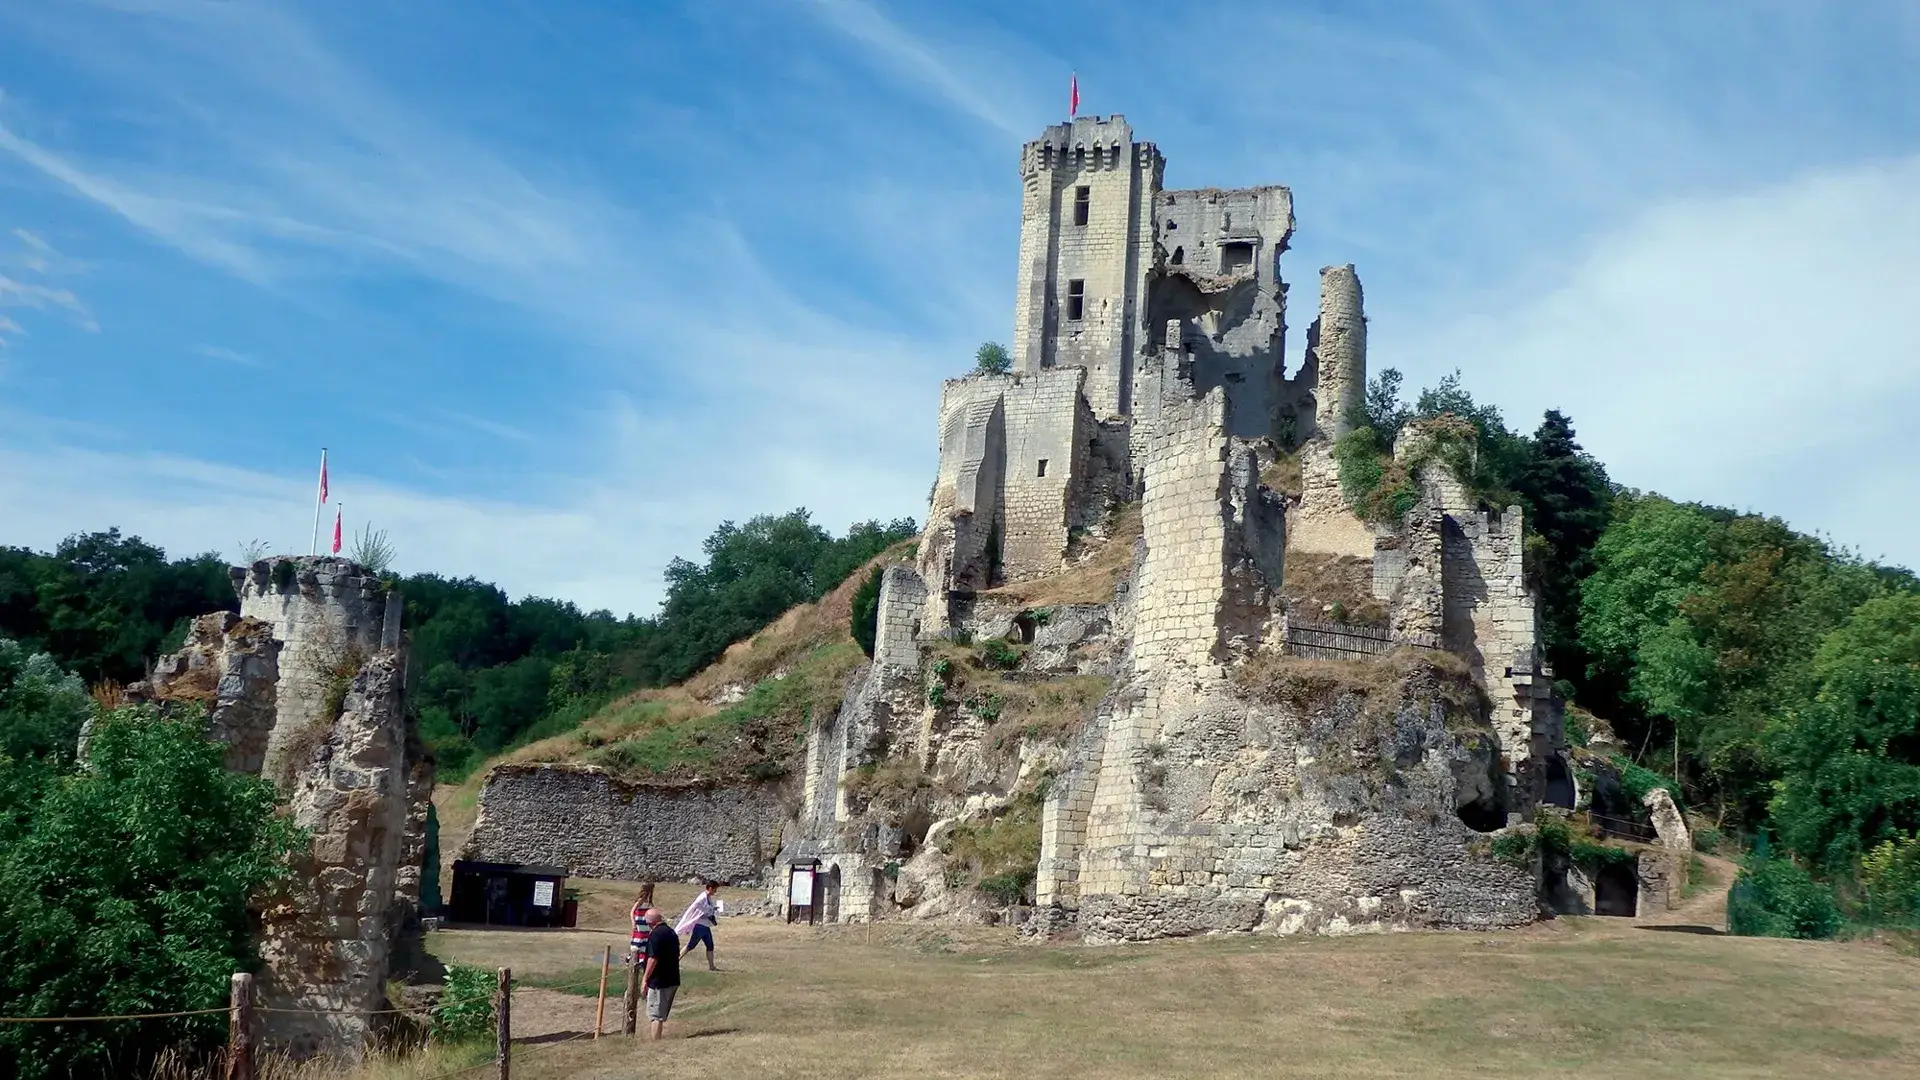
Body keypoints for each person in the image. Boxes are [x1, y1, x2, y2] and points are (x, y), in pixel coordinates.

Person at [639, 907, 680, 1040]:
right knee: (660, 1014)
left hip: (659, 981)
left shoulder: (655, 935)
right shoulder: (671, 932)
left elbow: (653, 958)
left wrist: (645, 979)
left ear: (650, 923)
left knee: (656, 1015)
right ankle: (657, 1039)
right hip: (672, 978)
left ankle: (655, 1043)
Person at [676, 880, 722, 971]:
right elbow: (702, 911)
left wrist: (713, 909)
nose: (715, 892)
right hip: (700, 926)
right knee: (691, 945)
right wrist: (712, 910)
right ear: (710, 888)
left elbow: (707, 910)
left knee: (710, 945)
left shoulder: (707, 898)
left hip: (705, 926)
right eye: (714, 889)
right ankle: (675, 962)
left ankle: (711, 967)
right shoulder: (702, 898)